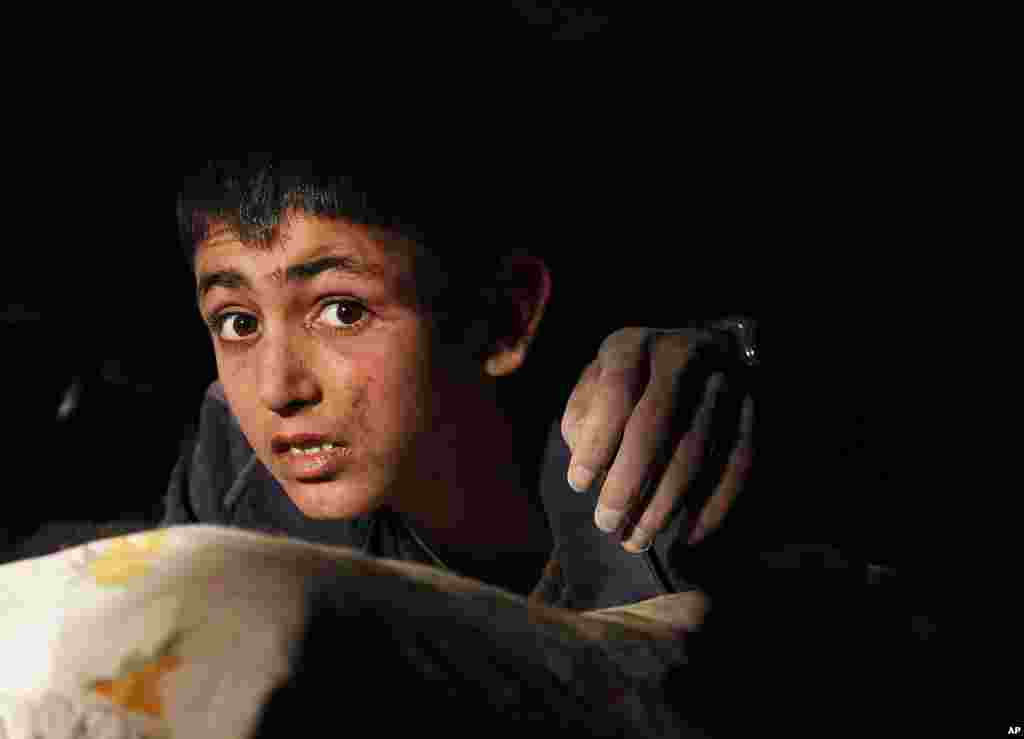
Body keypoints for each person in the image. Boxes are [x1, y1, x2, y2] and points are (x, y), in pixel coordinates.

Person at [162, 159, 758, 606]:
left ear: (503, 319)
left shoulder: (648, 441)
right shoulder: (235, 468)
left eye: (343, 311)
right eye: (238, 322)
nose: (276, 390)